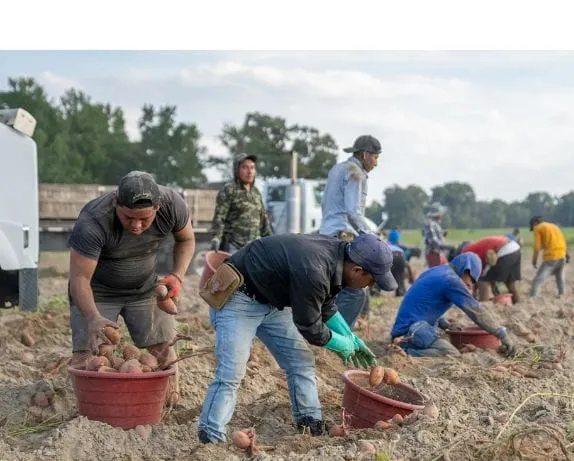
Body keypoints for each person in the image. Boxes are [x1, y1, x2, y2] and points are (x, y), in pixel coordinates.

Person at [197, 233, 397, 441]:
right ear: (357, 270)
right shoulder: (315, 268)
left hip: (274, 301)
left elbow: (326, 304)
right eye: (371, 280)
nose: (369, 286)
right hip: (239, 297)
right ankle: (210, 438)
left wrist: (350, 336)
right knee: (231, 371)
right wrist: (341, 344)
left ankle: (309, 424)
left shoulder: (340, 257)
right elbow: (309, 326)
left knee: (301, 361)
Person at [67, 171, 195, 404]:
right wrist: (93, 317)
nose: (136, 226)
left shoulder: (172, 205)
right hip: (97, 292)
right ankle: (90, 409)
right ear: (116, 202)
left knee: (164, 348)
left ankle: (169, 405)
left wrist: (177, 275)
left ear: (158, 208)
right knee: (89, 355)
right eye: (128, 217)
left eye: (144, 219)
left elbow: (186, 239)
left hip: (145, 287)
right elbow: (79, 279)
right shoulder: (94, 221)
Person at [390, 252, 517, 357]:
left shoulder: (438, 271)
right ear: (466, 270)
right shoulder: (451, 280)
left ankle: (404, 347)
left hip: (407, 328)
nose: (470, 285)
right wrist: (501, 334)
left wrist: (444, 323)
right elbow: (476, 311)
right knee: (451, 353)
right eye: (471, 279)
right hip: (410, 332)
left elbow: (425, 304)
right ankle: (406, 353)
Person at [318, 135, 382, 328]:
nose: (376, 163)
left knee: (335, 288)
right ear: (365, 154)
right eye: (375, 157)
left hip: (327, 233)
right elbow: (353, 212)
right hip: (343, 235)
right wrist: (371, 237)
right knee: (355, 290)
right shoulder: (356, 173)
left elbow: (324, 203)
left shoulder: (337, 169)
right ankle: (336, 334)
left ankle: (325, 329)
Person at [210, 153, 271, 254]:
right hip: (233, 246)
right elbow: (219, 218)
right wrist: (216, 238)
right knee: (233, 270)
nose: (249, 171)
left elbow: (263, 221)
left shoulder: (256, 193)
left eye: (252, 168)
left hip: (253, 247)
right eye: (245, 167)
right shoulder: (229, 190)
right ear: (237, 170)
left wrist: (270, 240)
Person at [457, 235, 522, 303]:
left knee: (482, 281)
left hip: (504, 251)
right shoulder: (477, 247)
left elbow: (477, 271)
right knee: (509, 282)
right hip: (515, 249)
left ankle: (483, 305)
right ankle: (517, 303)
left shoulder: (466, 252)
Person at [529, 216, 568, 298]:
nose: (533, 230)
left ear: (534, 223)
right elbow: (555, 241)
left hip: (551, 257)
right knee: (559, 277)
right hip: (562, 255)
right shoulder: (554, 226)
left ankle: (533, 297)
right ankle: (562, 295)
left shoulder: (538, 228)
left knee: (538, 279)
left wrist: (534, 261)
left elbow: (537, 247)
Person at [386, 228, 416, 297]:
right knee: (399, 277)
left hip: (389, 254)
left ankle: (375, 292)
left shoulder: (386, 243)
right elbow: (406, 260)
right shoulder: (401, 246)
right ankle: (401, 291)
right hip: (400, 255)